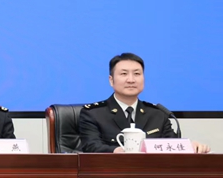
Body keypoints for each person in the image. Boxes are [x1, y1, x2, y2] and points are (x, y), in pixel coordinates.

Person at [79, 52, 210, 153]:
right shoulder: (94, 113)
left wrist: (190, 147)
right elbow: (91, 146)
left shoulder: (158, 114)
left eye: (137, 74)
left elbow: (172, 145)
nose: (131, 80)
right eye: (124, 74)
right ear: (111, 80)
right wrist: (117, 151)